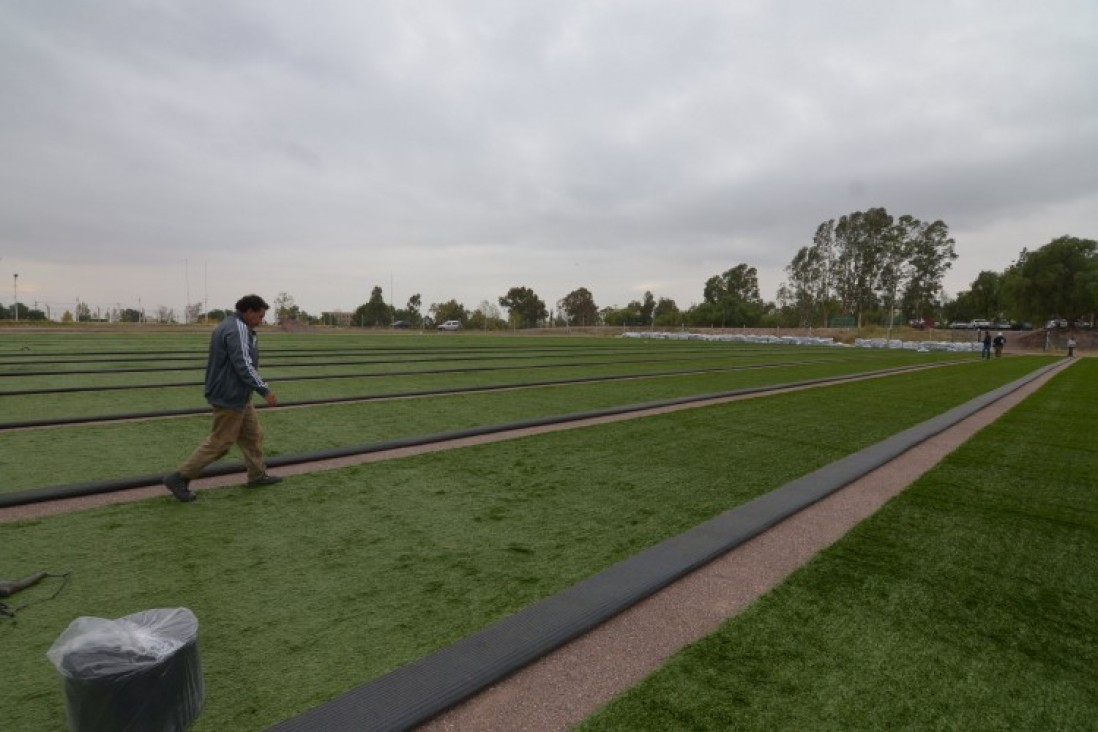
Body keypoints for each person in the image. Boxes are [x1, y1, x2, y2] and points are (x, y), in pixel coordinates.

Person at [163, 295, 282, 502]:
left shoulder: (230, 324)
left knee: (253, 435)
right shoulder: (238, 330)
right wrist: (264, 389)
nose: (261, 320)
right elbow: (243, 364)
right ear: (249, 311)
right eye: (260, 316)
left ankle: (257, 476)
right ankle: (179, 477)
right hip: (230, 394)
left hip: (238, 393)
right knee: (220, 442)